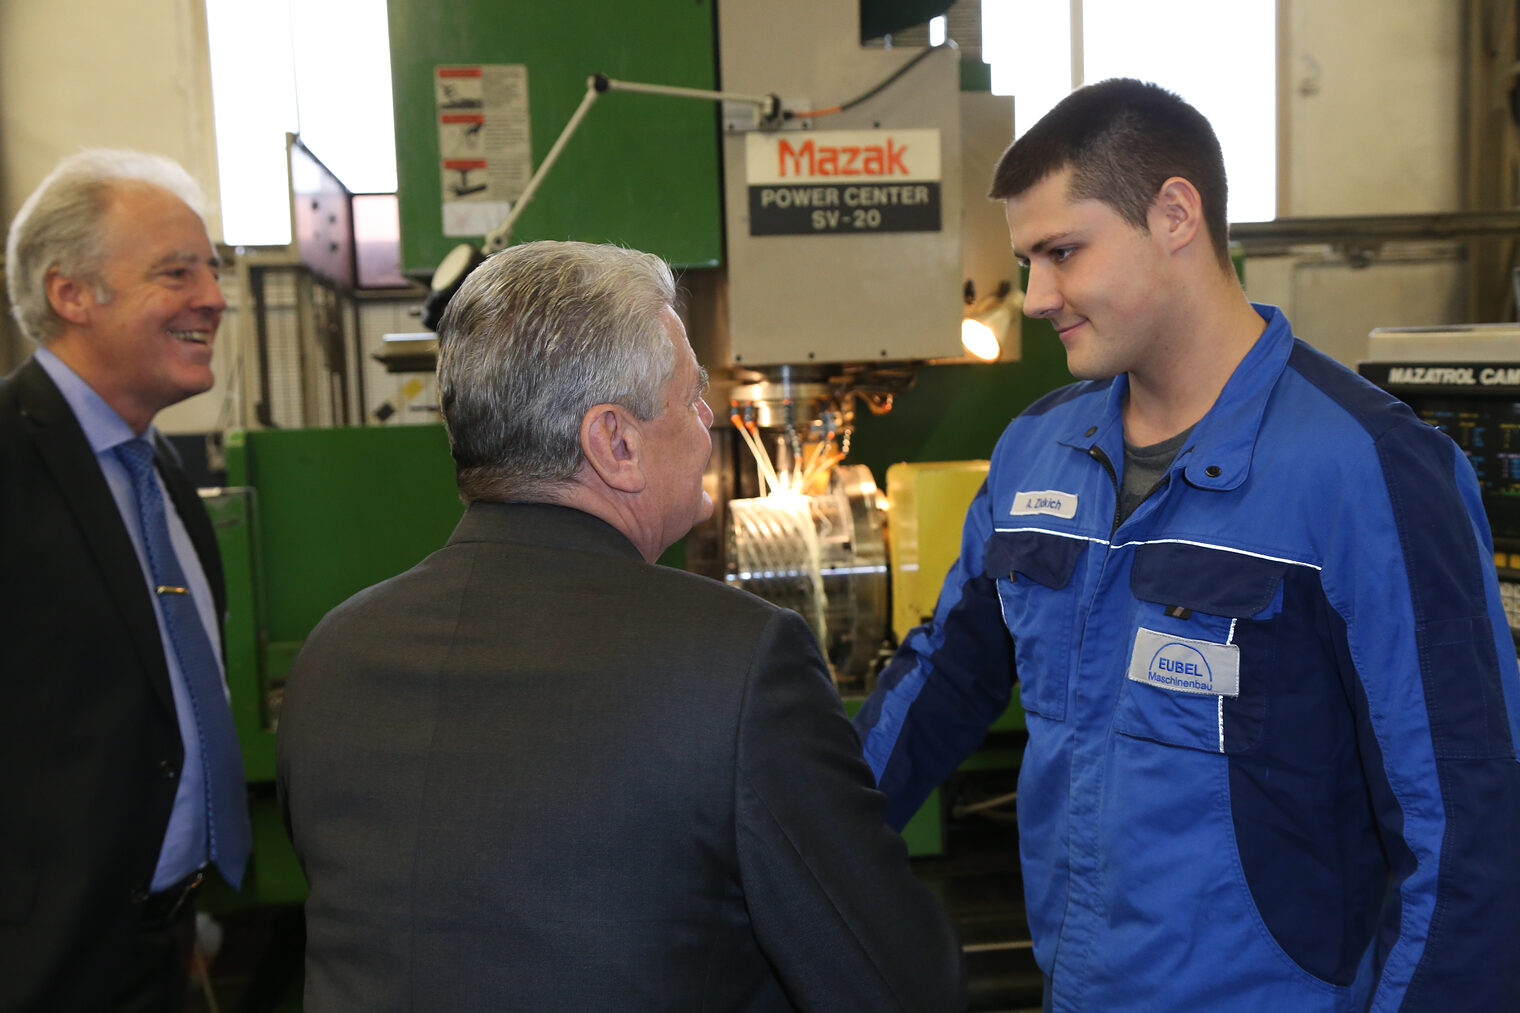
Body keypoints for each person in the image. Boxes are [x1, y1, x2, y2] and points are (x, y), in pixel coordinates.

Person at [854, 79, 1520, 1012]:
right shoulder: (1035, 450)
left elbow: (1466, 828)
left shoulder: (1368, 471)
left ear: (1174, 214)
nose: (1036, 296)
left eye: (1062, 252)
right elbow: (941, 682)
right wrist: (784, 836)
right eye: (1025, 260)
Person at [276, 240, 966, 1012]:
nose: (709, 423)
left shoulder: (334, 653)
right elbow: (891, 982)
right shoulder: (735, 665)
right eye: (692, 397)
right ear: (616, 442)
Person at [0, 149, 251, 1009]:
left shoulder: (164, 479)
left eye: (212, 271)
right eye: (175, 273)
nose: (213, 298)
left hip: (156, 943)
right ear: (72, 294)